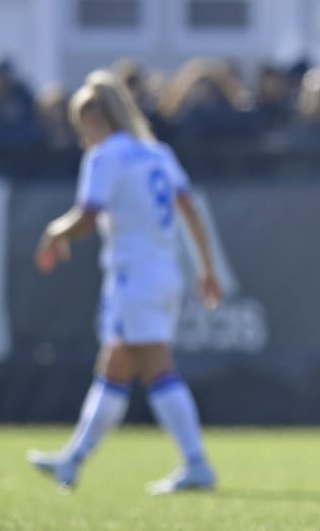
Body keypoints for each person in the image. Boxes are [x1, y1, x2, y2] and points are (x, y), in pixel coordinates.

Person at [26, 70, 222, 494]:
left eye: (83, 127)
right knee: (113, 371)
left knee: (158, 372)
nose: (83, 138)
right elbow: (191, 210)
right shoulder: (158, 153)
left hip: (135, 277)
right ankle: (73, 460)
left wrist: (55, 232)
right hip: (162, 273)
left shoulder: (106, 156)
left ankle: (197, 463)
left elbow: (88, 215)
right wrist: (207, 268)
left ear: (96, 118)